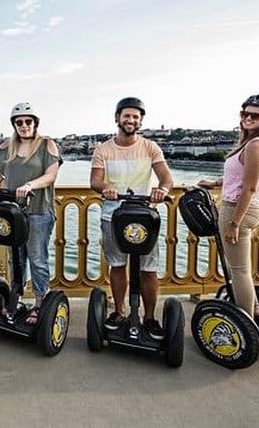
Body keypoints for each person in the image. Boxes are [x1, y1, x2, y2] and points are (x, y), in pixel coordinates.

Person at [89, 97, 173, 340]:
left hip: (144, 216)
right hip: (113, 215)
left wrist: (162, 190)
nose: (131, 120)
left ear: (140, 121)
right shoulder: (103, 149)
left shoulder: (150, 147)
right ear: (117, 118)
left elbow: (166, 178)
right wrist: (105, 188)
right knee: (117, 265)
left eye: (136, 117)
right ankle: (119, 311)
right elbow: (95, 181)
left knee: (148, 268)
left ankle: (149, 317)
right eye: (127, 115)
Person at [198, 94, 259, 319]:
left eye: (255, 115)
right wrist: (216, 183)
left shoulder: (255, 145)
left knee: (239, 271)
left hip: (237, 209)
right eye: (245, 114)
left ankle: (246, 322)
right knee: (243, 267)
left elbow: (249, 187)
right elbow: (244, 178)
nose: (248, 118)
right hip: (255, 208)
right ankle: (255, 310)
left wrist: (234, 223)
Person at [0, 102, 62, 325]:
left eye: (28, 121)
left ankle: (39, 304)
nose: (24, 125)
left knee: (37, 259)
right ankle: (15, 299)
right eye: (19, 122)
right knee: (16, 258)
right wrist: (1, 181)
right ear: (14, 125)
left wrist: (30, 185)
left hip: (38, 211)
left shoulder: (47, 144)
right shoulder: (8, 145)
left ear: (35, 123)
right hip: (13, 211)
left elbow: (51, 175)